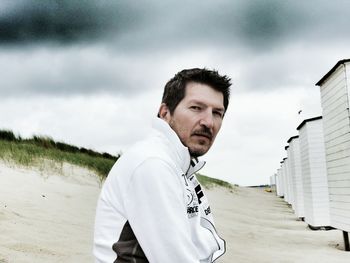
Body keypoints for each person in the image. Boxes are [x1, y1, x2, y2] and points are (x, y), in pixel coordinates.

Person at [93, 68, 231, 263]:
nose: (209, 122)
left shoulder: (178, 164)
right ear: (165, 113)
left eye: (217, 113)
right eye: (196, 108)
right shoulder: (153, 164)